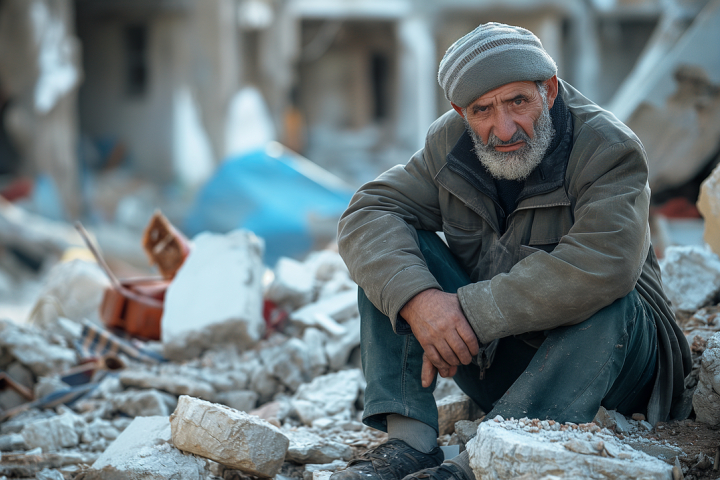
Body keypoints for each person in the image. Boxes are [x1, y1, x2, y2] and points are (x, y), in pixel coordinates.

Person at [333, 22, 692, 480]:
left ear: (550, 90)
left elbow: (607, 264)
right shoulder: (450, 144)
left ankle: (486, 459)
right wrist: (422, 303)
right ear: (461, 112)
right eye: (482, 110)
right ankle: (409, 443)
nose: (503, 129)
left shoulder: (607, 147)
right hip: (499, 358)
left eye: (518, 102)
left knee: (610, 300)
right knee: (396, 267)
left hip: (613, 368)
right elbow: (369, 211)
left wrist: (465, 311)